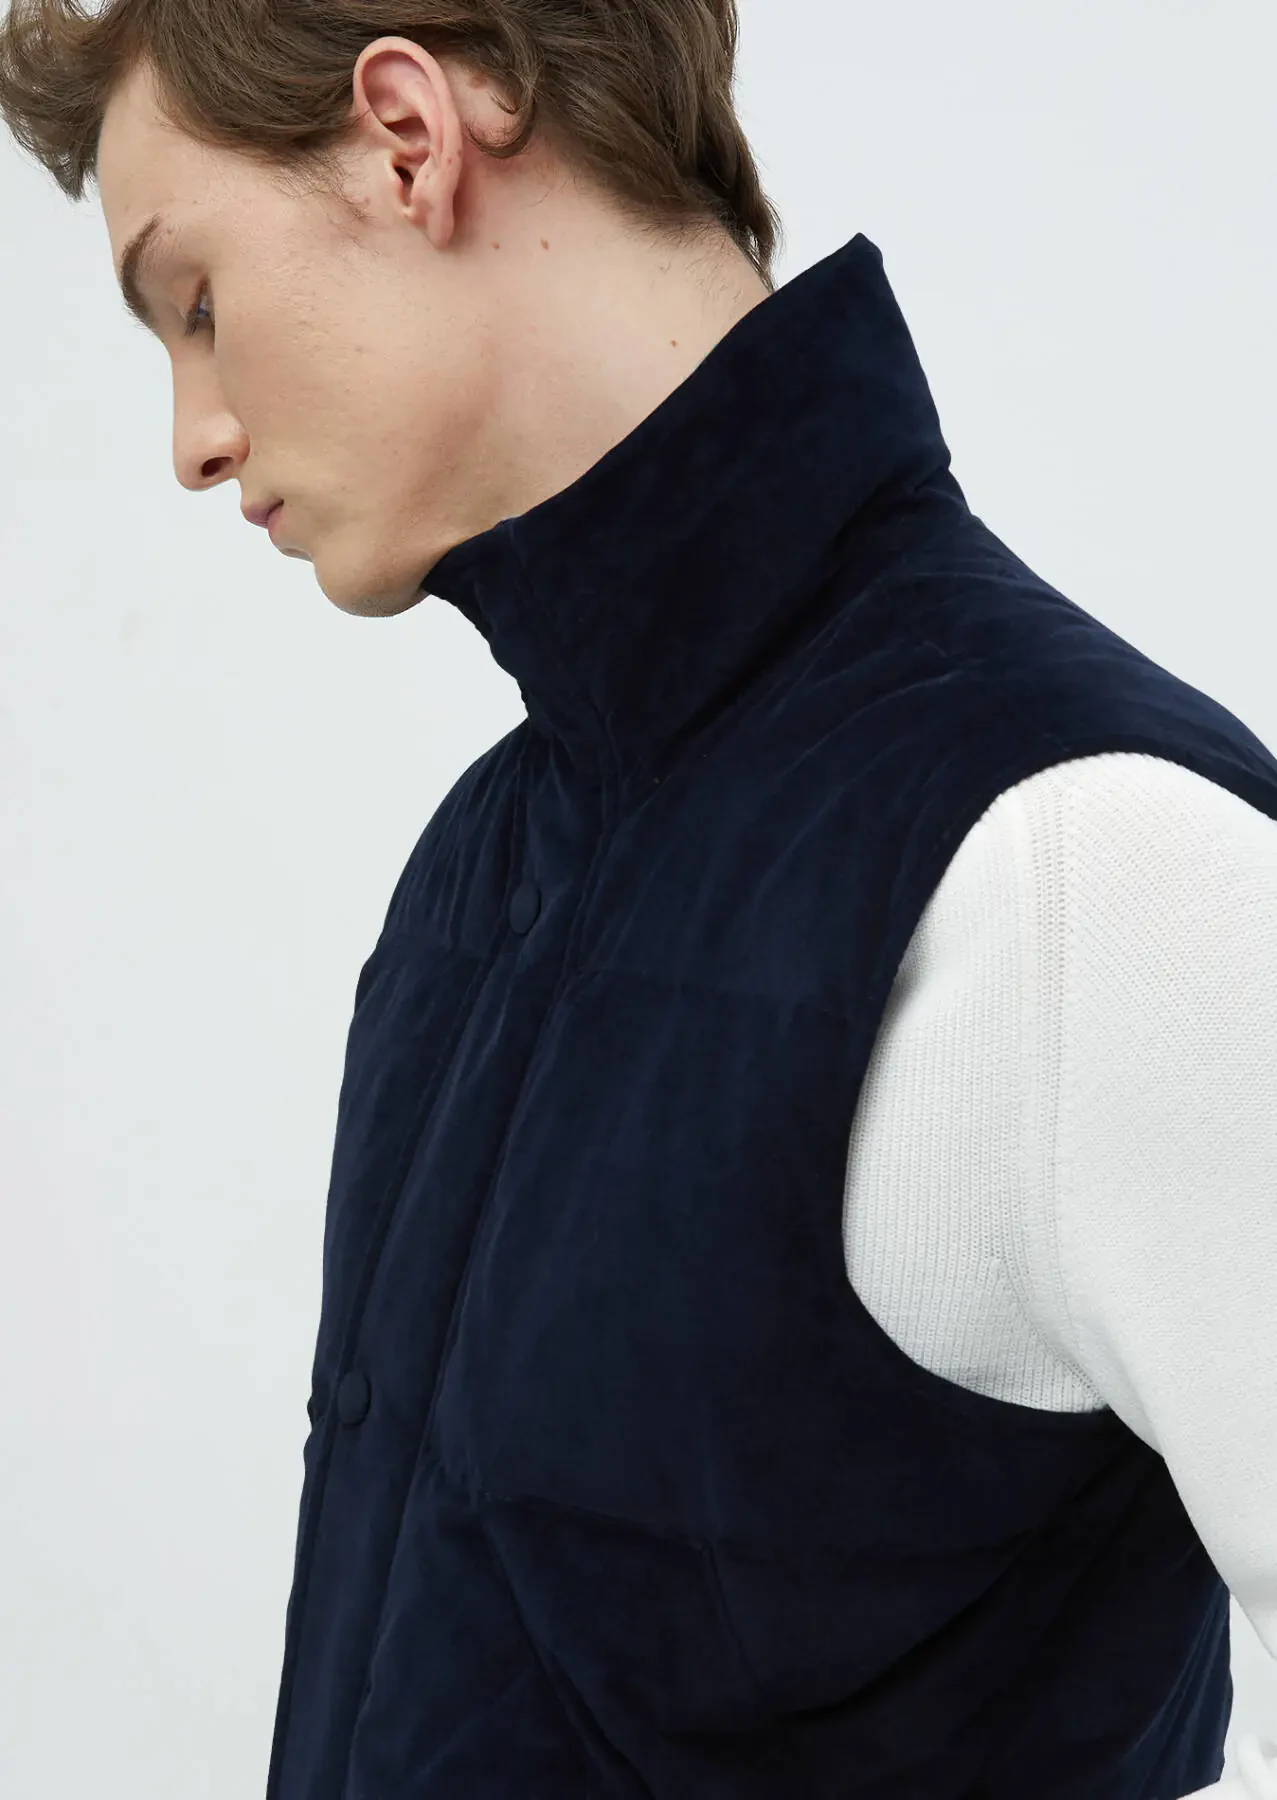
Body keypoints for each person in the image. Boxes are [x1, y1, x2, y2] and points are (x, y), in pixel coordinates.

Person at [2, 4, 1274, 1795]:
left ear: (407, 136)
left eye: (195, 301)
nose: (193, 440)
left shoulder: (1087, 863)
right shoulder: (473, 881)